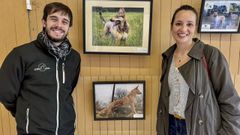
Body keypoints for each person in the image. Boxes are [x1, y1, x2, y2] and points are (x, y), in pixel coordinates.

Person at [156, 5, 240, 135]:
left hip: (199, 128)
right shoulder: (168, 56)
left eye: (189, 24)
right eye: (178, 23)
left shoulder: (210, 54)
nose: (183, 29)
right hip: (171, 124)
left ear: (195, 28)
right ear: (172, 26)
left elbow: (229, 100)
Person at [0, 2, 80, 135]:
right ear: (44, 22)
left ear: (68, 27)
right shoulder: (21, 54)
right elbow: (4, 93)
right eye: (54, 19)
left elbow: (68, 89)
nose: (59, 25)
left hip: (66, 131)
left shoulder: (74, 57)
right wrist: (25, 112)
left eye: (64, 21)